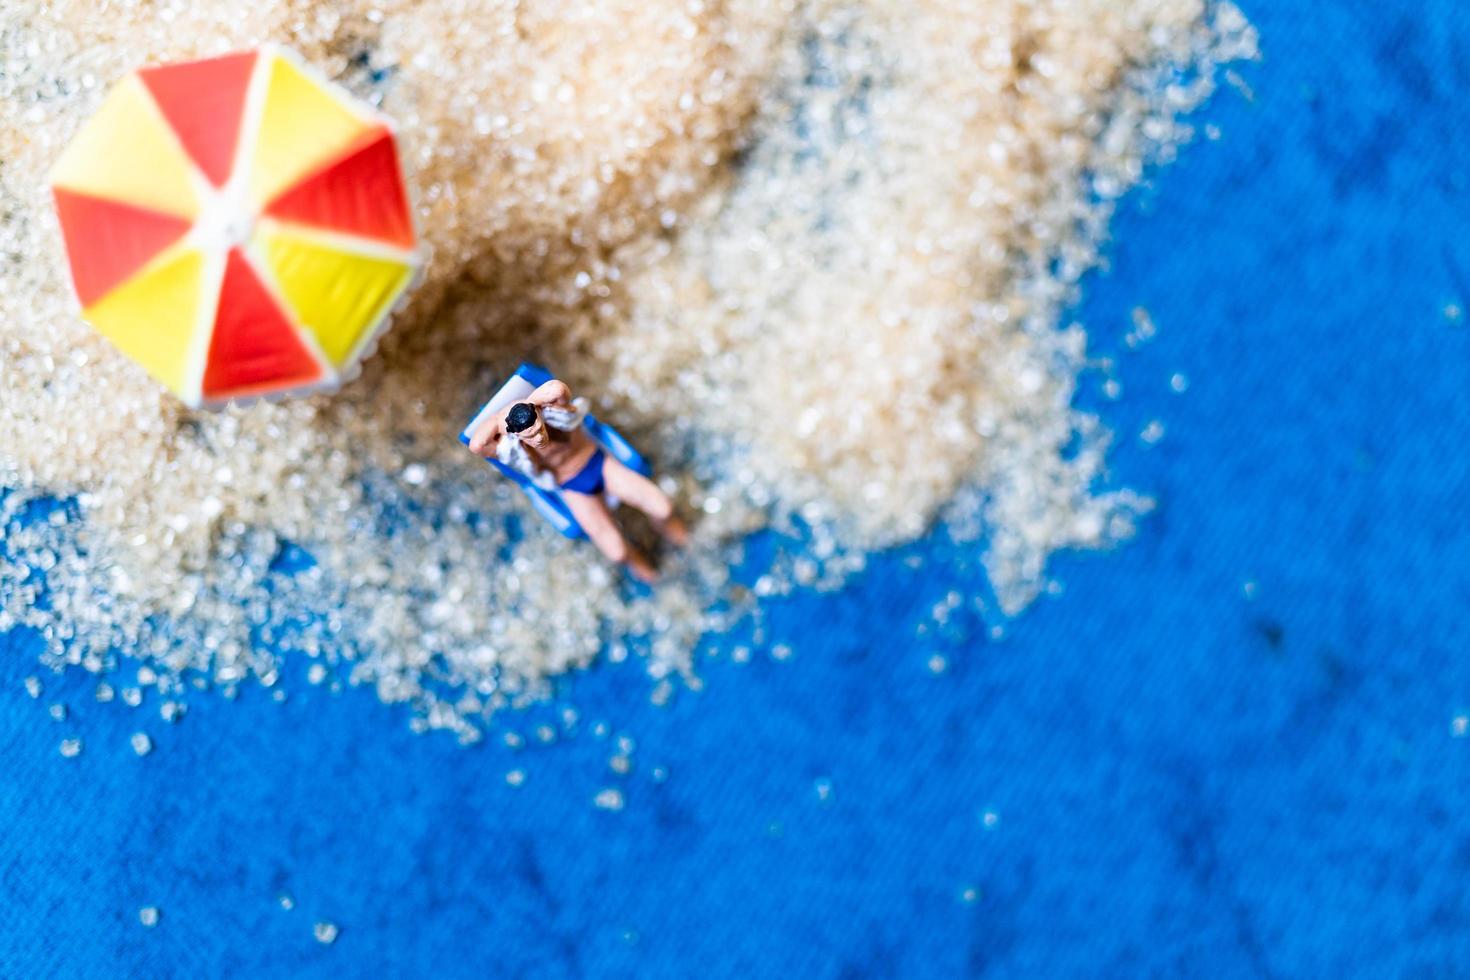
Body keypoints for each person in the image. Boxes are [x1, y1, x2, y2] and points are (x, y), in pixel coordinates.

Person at [466, 377, 687, 582]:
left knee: (663, 507)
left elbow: (557, 388)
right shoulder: (511, 449)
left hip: (598, 464)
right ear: (516, 433)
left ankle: (673, 534)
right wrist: (500, 420)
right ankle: (642, 567)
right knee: (616, 552)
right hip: (572, 486)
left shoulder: (555, 412)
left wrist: (529, 407)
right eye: (530, 435)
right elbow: (477, 445)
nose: (537, 436)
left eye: (536, 428)